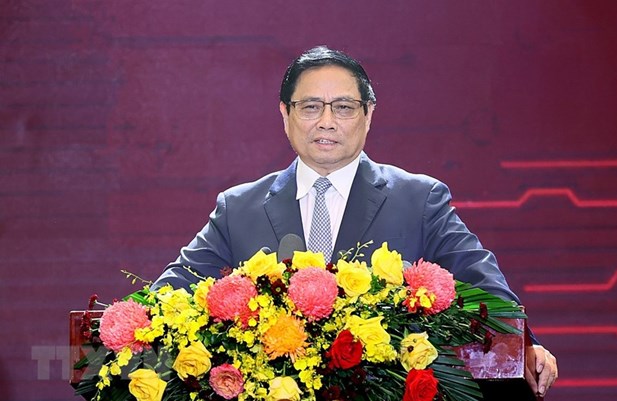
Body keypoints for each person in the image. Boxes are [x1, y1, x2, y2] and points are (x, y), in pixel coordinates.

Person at [152, 45, 558, 397]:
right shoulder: (239, 208)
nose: (326, 121)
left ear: (368, 114)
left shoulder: (419, 200)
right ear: (285, 113)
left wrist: (525, 346)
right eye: (310, 107)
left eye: (344, 107)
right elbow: (168, 296)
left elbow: (483, 285)